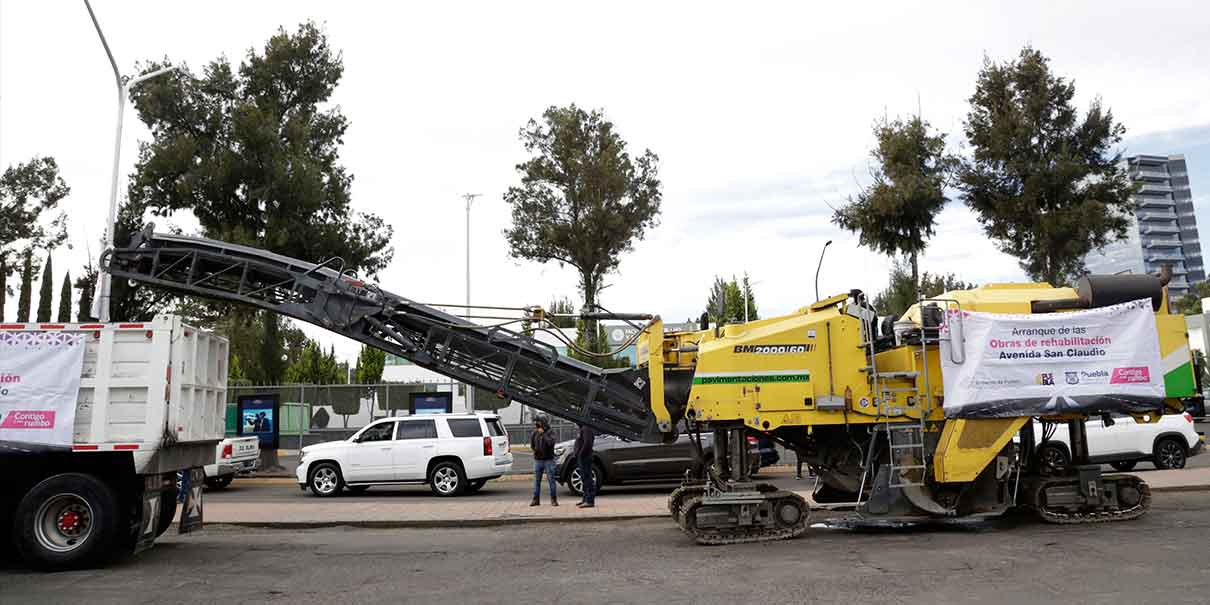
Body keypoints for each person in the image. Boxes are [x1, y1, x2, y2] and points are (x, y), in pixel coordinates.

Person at [530, 416, 558, 507]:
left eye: (539, 422)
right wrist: (535, 450)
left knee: (551, 480)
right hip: (538, 460)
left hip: (548, 460)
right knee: (536, 481)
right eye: (537, 422)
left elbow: (551, 443)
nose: (537, 424)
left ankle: (553, 499)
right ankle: (536, 499)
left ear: (544, 423)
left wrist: (544, 434)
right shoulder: (535, 432)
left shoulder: (550, 432)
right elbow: (532, 444)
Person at [573, 422, 596, 508]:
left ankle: (590, 501)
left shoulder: (586, 428)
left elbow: (587, 444)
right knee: (583, 479)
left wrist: (580, 454)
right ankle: (585, 499)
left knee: (587, 478)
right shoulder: (583, 428)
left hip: (585, 457)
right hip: (582, 458)